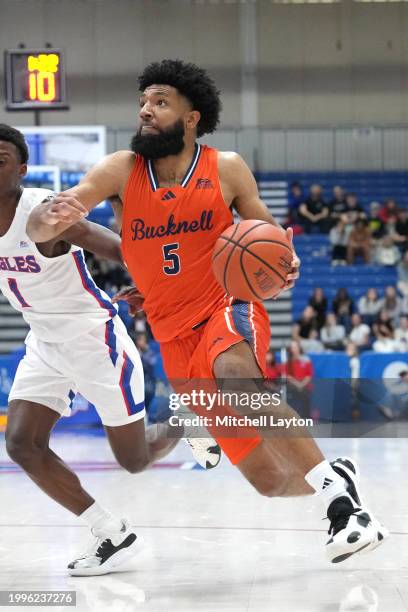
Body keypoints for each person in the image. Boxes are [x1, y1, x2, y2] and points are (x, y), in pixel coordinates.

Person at [26, 59, 387, 563]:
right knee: (269, 481)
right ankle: (333, 476)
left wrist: (285, 264)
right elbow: (53, 222)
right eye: (143, 103)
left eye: (160, 102)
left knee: (235, 374)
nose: (146, 112)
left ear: (192, 117)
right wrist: (47, 218)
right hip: (171, 332)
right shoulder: (121, 169)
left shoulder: (226, 168)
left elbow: (269, 237)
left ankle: (341, 507)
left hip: (226, 305)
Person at [0, 124, 218, 578]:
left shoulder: (43, 211)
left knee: (134, 460)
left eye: (0, 157)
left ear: (21, 169)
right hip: (44, 342)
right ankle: (110, 531)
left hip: (94, 340)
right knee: (21, 443)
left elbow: (116, 246)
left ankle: (189, 421)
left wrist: (156, 285)